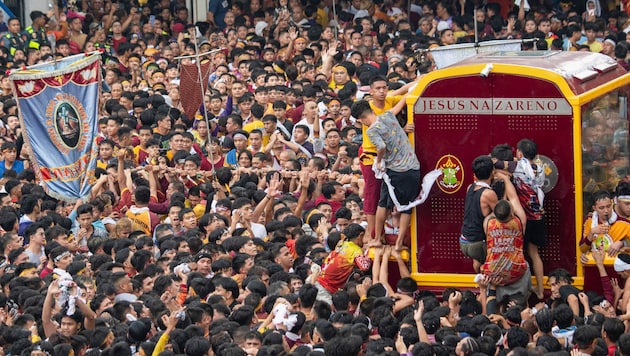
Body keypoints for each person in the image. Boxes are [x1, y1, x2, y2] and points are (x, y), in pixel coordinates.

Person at [351, 96, 418, 251]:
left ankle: (376, 238)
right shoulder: (387, 115)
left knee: (382, 204)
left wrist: (379, 161)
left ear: (360, 120)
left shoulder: (372, 130)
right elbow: (400, 104)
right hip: (413, 167)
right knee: (407, 207)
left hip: (395, 170)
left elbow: (380, 147)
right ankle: (400, 243)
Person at [460, 156, 498, 272]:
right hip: (477, 243)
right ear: (492, 172)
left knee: (477, 260)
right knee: (490, 265)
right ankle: (484, 284)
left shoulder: (470, 188)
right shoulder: (489, 194)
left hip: (464, 241)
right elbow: (501, 213)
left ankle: (479, 281)